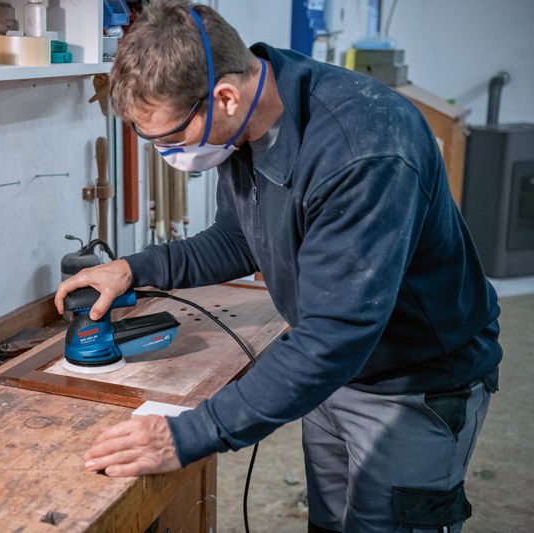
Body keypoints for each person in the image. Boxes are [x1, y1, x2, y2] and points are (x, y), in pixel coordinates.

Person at [55, 1, 501, 531]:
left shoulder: (364, 148)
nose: (169, 153)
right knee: (329, 522)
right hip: (335, 376)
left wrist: (186, 435)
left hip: (415, 383)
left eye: (170, 138)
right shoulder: (244, 124)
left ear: (224, 96)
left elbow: (334, 337)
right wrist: (132, 269)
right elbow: (237, 240)